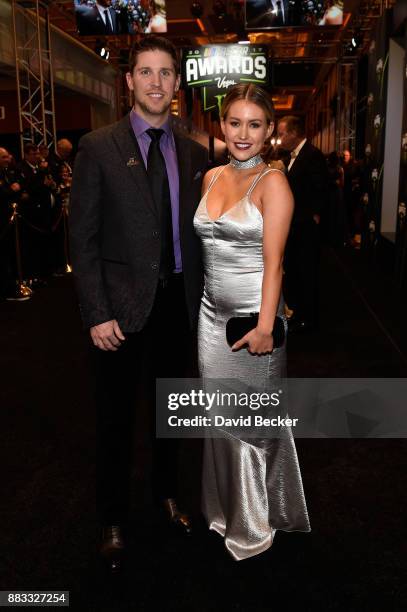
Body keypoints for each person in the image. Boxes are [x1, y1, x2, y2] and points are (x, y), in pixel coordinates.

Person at [69, 36, 208, 572]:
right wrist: (96, 312)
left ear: (177, 82)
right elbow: (82, 240)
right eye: (145, 72)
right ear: (129, 81)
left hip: (176, 306)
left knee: (170, 415)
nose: (156, 81)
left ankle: (166, 497)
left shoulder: (195, 152)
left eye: (166, 72)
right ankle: (111, 519)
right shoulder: (98, 146)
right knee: (113, 420)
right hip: (118, 313)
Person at [194, 84, 310, 561]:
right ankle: (223, 507)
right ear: (222, 126)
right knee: (218, 417)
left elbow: (276, 263)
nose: (244, 133)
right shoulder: (210, 177)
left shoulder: (274, 182)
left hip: (253, 321)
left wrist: (266, 326)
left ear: (269, 131)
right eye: (235, 123)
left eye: (255, 124)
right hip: (209, 317)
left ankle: (254, 522)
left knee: (253, 422)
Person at [277, 115, 329, 332]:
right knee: (295, 270)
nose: (279, 139)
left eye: (281, 134)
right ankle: (297, 312)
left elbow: (321, 189)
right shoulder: (292, 156)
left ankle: (308, 318)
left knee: (307, 272)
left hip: (304, 228)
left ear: (293, 133)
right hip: (294, 226)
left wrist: (312, 216)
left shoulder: (312, 155)